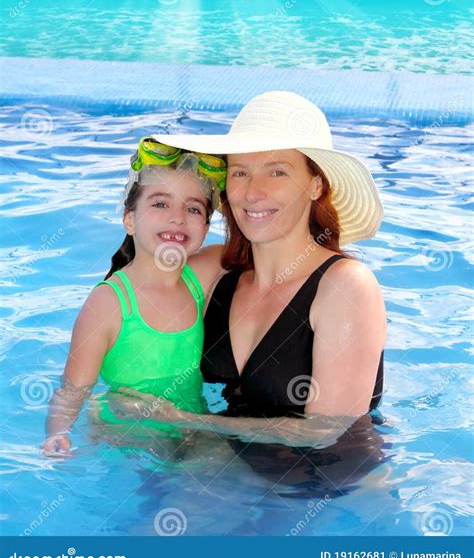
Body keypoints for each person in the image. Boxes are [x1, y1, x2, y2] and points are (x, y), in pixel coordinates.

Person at [120, 91, 387, 449]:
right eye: (240, 172)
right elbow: (124, 302)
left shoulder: (346, 286)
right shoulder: (216, 273)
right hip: (222, 474)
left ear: (315, 184)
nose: (252, 192)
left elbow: (328, 434)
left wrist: (183, 420)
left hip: (320, 488)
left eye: (276, 172)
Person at [41, 138, 226, 455]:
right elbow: (74, 389)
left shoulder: (202, 275)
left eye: (193, 208)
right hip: (129, 437)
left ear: (206, 228)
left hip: (190, 426)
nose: (177, 217)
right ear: (129, 220)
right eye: (160, 204)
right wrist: (57, 434)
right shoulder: (109, 303)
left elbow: (257, 244)